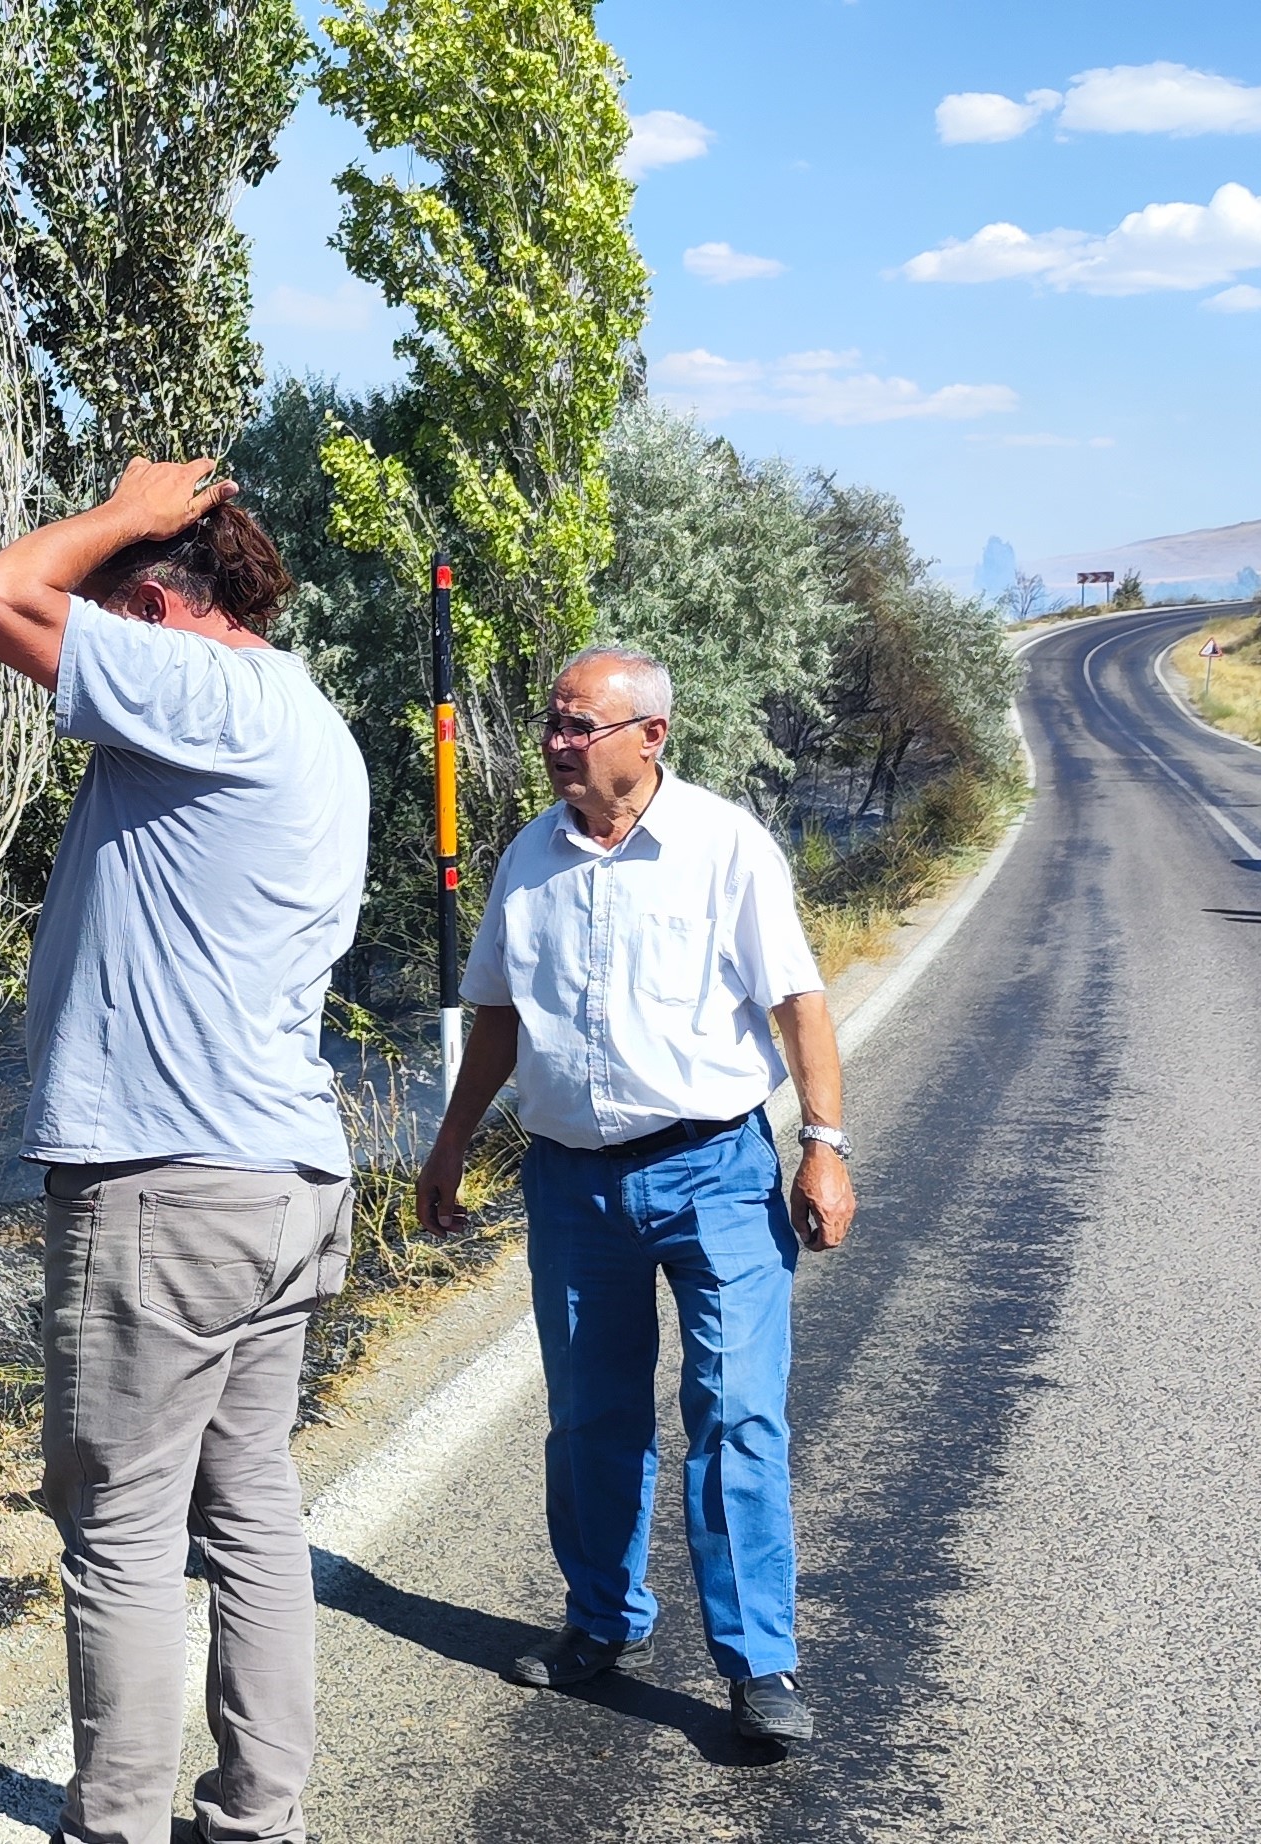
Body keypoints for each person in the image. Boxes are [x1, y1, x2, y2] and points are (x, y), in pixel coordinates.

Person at [0, 457, 369, 1844]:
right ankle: (259, 1819)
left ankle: (114, 1829)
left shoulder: (202, 690)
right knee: (249, 1513)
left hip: (167, 1182)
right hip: (281, 1173)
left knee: (121, 1531)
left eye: (114, 607)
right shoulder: (307, 715)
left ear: (151, 602)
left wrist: (127, 512)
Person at [416, 644, 859, 1747]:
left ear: (649, 736)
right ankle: (602, 1621)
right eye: (554, 723)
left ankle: (759, 1664)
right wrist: (449, 1143)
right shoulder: (527, 859)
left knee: (735, 1412)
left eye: (581, 726)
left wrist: (824, 1143)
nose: (558, 743)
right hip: (571, 1184)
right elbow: (499, 1019)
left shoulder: (722, 846)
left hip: (716, 1170)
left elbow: (797, 1001)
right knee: (590, 1420)